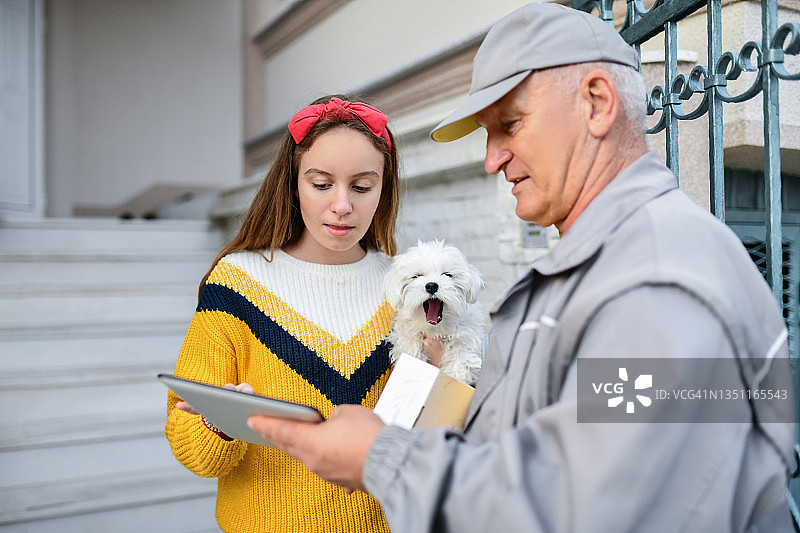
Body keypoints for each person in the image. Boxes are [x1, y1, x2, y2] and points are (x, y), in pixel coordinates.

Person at [247, 4, 797, 533]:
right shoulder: (602, 266)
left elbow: (583, 507)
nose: (492, 158)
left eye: (510, 124)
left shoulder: (658, 283)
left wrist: (381, 457)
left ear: (597, 103)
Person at [164, 94, 400, 532]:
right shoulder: (236, 285)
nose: (342, 204)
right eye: (321, 183)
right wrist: (226, 422)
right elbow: (189, 443)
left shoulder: (404, 287)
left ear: (384, 189)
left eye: (362, 186)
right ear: (292, 183)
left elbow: (434, 433)